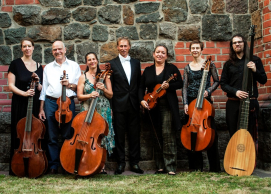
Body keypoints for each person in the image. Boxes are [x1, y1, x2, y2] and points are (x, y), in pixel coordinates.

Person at [39, 41, 81, 174]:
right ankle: (53, 165)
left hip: (68, 102)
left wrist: (69, 85)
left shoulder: (74, 66)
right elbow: (44, 90)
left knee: (67, 134)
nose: (57, 52)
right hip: (51, 103)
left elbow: (79, 87)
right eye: (54, 50)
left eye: (59, 49)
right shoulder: (48, 68)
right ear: (52, 51)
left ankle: (66, 164)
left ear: (65, 50)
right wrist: (41, 108)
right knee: (51, 136)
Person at [139, 44, 183, 175]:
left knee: (167, 134)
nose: (160, 54)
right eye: (158, 52)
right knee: (156, 134)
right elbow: (141, 87)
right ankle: (160, 166)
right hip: (152, 105)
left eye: (163, 53)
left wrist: (169, 85)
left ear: (166, 56)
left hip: (167, 105)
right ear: (153, 54)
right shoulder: (148, 70)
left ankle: (170, 166)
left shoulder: (171, 68)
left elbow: (180, 83)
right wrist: (141, 100)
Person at [220, 34, 267, 144]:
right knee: (234, 134)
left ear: (244, 43)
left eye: (239, 42)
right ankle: (236, 160)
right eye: (234, 43)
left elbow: (263, 80)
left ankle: (249, 160)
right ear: (232, 46)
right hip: (233, 104)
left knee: (250, 135)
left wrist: (255, 70)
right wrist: (235, 92)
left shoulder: (255, 60)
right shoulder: (228, 64)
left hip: (250, 103)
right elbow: (223, 84)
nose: (237, 44)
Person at [182, 40, 221, 172]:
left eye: (197, 48)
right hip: (192, 101)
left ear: (201, 49)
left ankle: (214, 167)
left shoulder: (209, 64)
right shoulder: (187, 67)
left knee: (211, 133)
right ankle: (195, 167)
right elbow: (185, 87)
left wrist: (208, 91)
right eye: (192, 48)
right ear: (190, 50)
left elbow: (216, 81)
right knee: (192, 133)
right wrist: (185, 103)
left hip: (205, 101)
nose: (195, 50)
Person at [8, 37, 43, 175]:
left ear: (33, 48)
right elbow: (11, 86)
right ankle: (17, 165)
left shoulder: (39, 66)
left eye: (29, 46)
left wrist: (38, 82)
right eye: (24, 46)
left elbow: (41, 89)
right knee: (20, 134)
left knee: (35, 134)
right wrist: (24, 93)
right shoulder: (15, 64)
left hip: (34, 104)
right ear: (21, 48)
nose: (27, 48)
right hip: (20, 103)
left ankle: (36, 164)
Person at [109, 37, 143, 174]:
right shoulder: (112, 63)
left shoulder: (136, 63)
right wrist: (112, 106)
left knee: (135, 135)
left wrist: (140, 100)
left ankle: (135, 163)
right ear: (117, 47)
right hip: (118, 104)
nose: (123, 48)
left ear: (129, 47)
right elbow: (110, 86)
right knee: (119, 135)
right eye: (121, 46)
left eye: (125, 46)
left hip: (134, 104)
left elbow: (139, 84)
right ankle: (121, 163)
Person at [77, 52, 115, 174]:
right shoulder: (83, 77)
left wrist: (103, 88)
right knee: (88, 136)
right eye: (89, 60)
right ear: (86, 62)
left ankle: (101, 165)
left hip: (103, 109)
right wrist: (90, 94)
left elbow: (110, 95)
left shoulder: (105, 76)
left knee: (101, 136)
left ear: (97, 61)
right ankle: (89, 161)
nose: (92, 61)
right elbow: (79, 96)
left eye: (94, 59)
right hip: (88, 109)